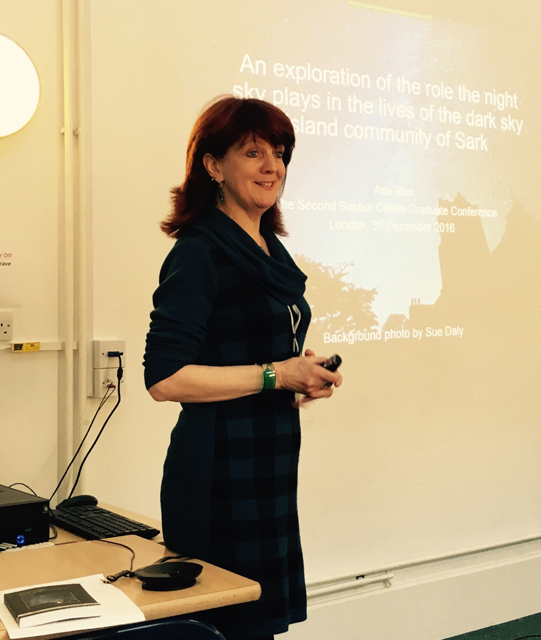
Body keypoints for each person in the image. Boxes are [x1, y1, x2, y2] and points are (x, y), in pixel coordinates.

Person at [143, 96, 341, 640]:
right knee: (228, 627)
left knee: (258, 625)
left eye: (279, 153)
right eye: (253, 153)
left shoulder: (268, 248)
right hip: (218, 473)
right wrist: (276, 375)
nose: (272, 166)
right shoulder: (200, 251)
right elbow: (164, 377)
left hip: (267, 464)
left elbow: (248, 351)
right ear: (213, 165)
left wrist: (300, 375)